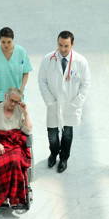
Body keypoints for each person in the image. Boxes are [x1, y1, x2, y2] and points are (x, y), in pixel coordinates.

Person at [38, 31, 91, 173]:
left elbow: (86, 84)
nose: (62, 49)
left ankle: (64, 158)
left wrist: (76, 103)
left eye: (66, 46)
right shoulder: (48, 59)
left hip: (70, 106)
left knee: (67, 134)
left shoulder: (81, 62)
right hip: (53, 105)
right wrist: (50, 101)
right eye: (60, 45)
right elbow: (42, 81)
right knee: (52, 135)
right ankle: (53, 153)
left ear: (72, 44)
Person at [0, 88, 32, 210]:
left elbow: (28, 130)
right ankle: (2, 197)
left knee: (15, 161)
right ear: (5, 96)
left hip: (15, 144)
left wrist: (26, 113)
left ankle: (15, 196)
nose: (13, 104)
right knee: (0, 163)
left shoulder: (20, 111)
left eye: (16, 102)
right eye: (11, 100)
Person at [0, 27, 32, 106]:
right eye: (3, 42)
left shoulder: (21, 52)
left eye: (9, 42)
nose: (6, 45)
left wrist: (21, 90)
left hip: (16, 96)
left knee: (17, 118)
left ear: (13, 40)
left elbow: (26, 73)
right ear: (0, 41)